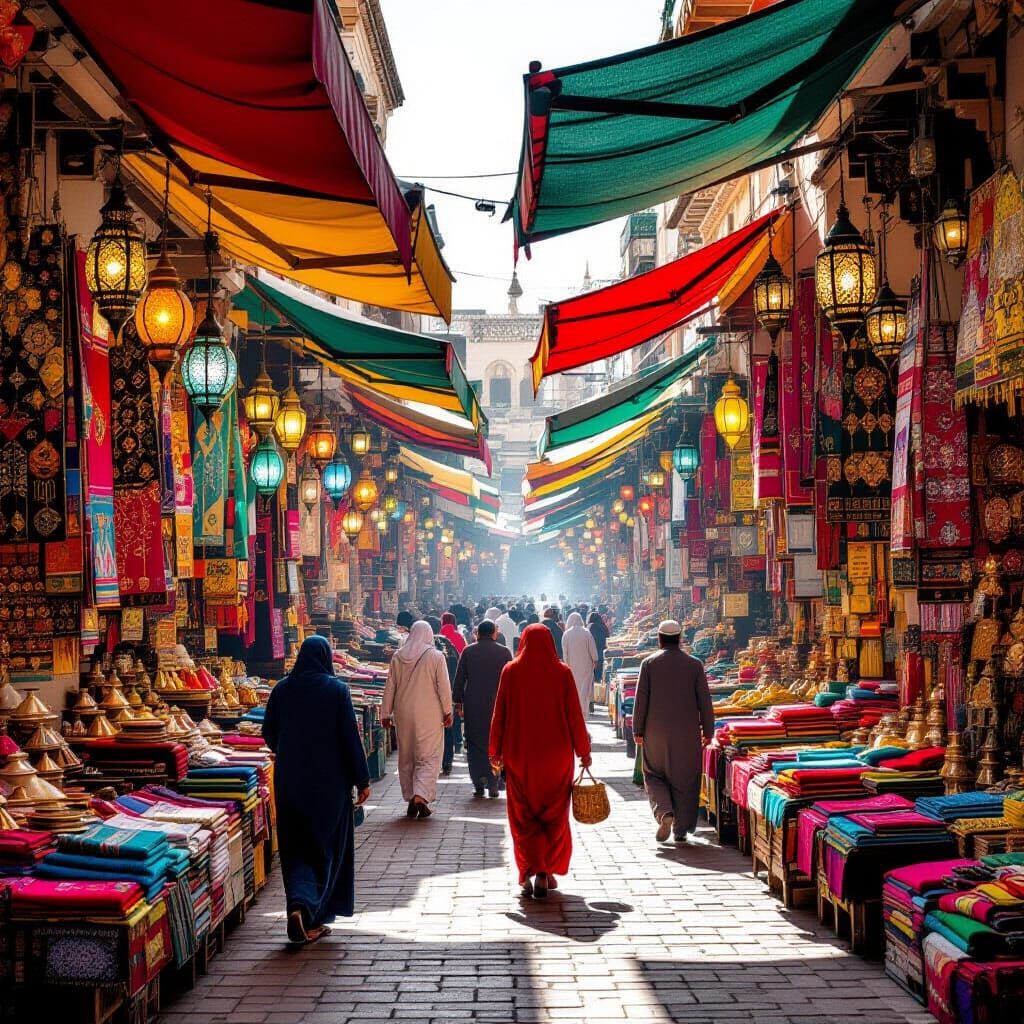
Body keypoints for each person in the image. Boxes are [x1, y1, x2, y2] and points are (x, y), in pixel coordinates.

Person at [262, 636, 370, 944]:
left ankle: (298, 905)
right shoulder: (337, 690)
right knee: (324, 847)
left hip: (290, 781)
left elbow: (268, 732)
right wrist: (362, 780)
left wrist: (288, 752)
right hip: (328, 783)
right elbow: (350, 737)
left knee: (295, 847)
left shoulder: (282, 689)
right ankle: (309, 912)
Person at [489, 624, 591, 899]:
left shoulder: (511, 671)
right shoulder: (562, 673)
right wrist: (584, 751)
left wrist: (494, 751)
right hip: (556, 759)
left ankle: (529, 871)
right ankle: (545, 871)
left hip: (520, 757)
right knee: (554, 815)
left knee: (523, 816)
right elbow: (574, 717)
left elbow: (500, 714)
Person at [632, 619, 715, 844]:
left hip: (655, 733)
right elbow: (705, 701)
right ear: (680, 639)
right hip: (686, 734)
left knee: (654, 774)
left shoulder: (648, 664)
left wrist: (637, 730)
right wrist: (709, 731)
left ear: (659, 639)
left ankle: (665, 813)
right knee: (686, 780)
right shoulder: (694, 665)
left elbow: (641, 700)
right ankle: (680, 829)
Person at [382, 621, 453, 819]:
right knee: (428, 755)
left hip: (403, 712)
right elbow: (443, 687)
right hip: (429, 712)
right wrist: (448, 711)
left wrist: (385, 714)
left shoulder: (398, 656)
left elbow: (390, 687)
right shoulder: (436, 656)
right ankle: (420, 795)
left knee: (407, 755)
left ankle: (410, 796)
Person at [453, 619, 512, 797]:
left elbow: (460, 679)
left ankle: (479, 781)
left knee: (475, 742)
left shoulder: (469, 651)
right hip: (497, 705)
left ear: (478, 633)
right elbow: (511, 680)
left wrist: (458, 701)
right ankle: (494, 781)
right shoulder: (504, 652)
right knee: (495, 743)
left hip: (474, 704)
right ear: (494, 633)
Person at [562, 611, 598, 718]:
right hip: (586, 665)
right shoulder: (586, 633)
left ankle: (574, 712)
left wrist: (566, 664)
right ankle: (583, 712)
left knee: (574, 688)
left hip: (571, 666)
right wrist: (595, 660)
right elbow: (592, 650)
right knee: (584, 689)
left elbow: (565, 653)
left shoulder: (566, 634)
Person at [588, 611, 610, 683]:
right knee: (600, 675)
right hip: (603, 652)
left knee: (594, 676)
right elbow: (607, 638)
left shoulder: (591, 626)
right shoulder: (604, 626)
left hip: (593, 652)